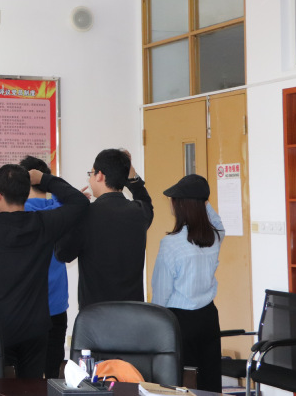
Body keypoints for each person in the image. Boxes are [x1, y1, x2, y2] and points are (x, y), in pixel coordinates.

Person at [0, 164, 88, 379]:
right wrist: (44, 179)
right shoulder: (43, 224)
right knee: (32, 389)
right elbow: (79, 202)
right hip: (34, 330)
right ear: (26, 194)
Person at [151, 174, 225, 393]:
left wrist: (154, 329)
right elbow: (217, 221)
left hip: (180, 322)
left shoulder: (171, 244)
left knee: (182, 384)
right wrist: (202, 199)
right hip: (208, 317)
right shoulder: (215, 237)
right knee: (209, 381)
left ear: (181, 205)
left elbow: (161, 294)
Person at [56, 148, 154, 309]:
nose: (90, 179)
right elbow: (146, 201)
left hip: (95, 313)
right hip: (133, 312)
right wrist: (133, 178)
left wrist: (68, 211)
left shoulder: (85, 215)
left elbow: (63, 253)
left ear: (99, 175)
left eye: (91, 173)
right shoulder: (140, 211)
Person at [19, 155, 69, 379]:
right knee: (52, 371)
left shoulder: (18, 214)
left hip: (26, 307)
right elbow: (68, 196)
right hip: (57, 306)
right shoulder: (62, 210)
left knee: (26, 374)